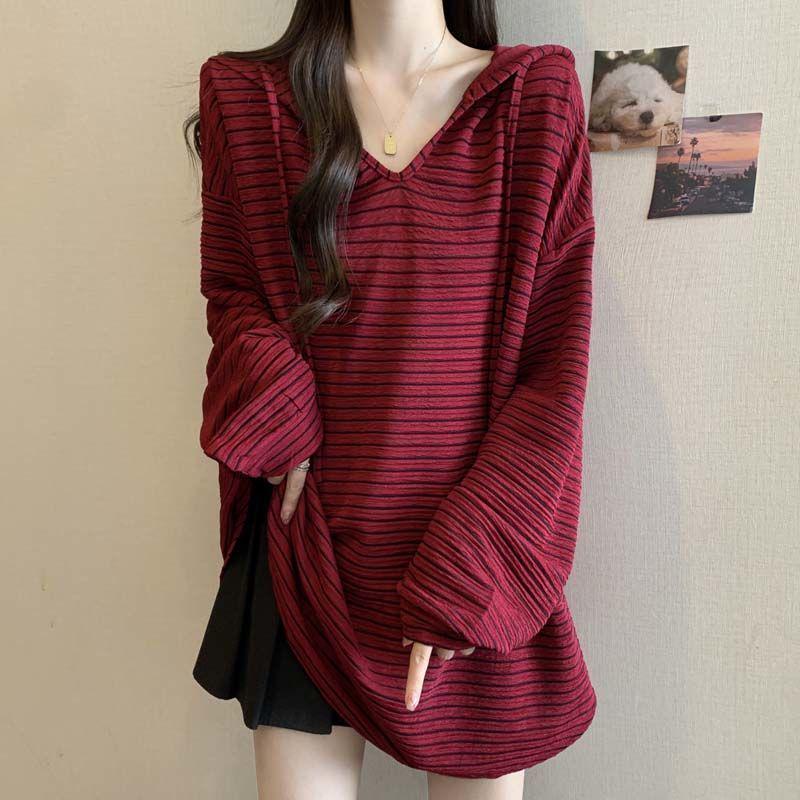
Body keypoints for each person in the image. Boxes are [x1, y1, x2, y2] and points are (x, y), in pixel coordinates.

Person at [187, 1, 597, 798]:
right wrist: (277, 408)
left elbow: (555, 364)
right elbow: (232, 294)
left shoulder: (531, 99)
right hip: (308, 554)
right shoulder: (248, 101)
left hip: (478, 553)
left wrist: (473, 567)